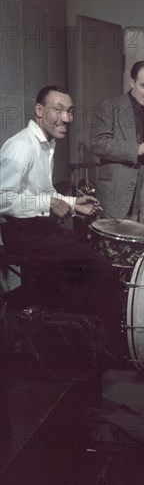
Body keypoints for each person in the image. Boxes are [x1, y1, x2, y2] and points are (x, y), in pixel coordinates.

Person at [0, 86, 121, 352]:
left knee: (90, 255)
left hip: (38, 230)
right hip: (21, 234)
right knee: (100, 268)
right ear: (39, 110)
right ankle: (95, 346)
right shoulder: (21, 146)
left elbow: (44, 194)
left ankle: (71, 338)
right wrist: (49, 204)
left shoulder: (45, 144)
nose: (66, 118)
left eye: (69, 111)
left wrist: (73, 204)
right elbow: (3, 200)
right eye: (58, 110)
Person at [91, 60, 144, 231]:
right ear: (132, 82)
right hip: (119, 183)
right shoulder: (109, 106)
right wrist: (137, 149)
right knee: (117, 243)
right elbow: (98, 143)